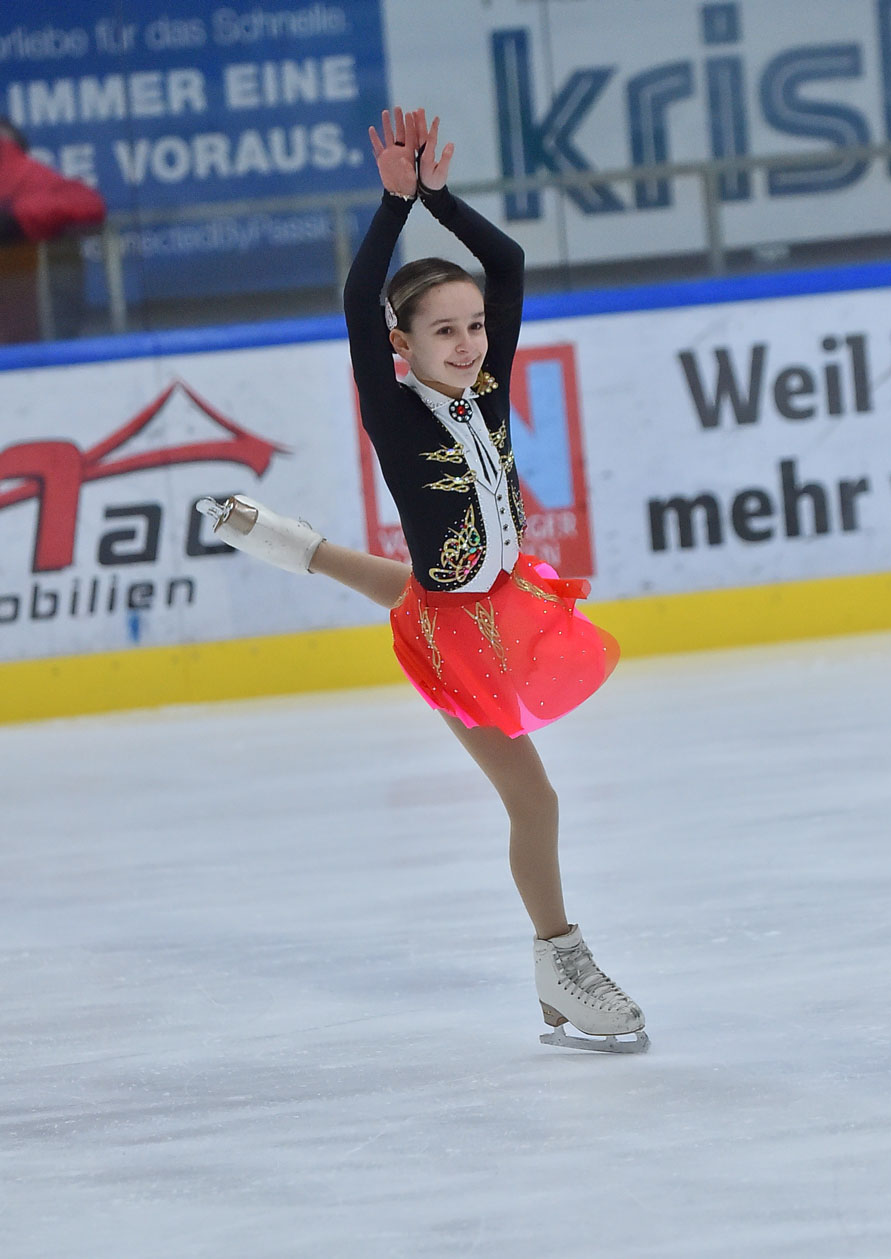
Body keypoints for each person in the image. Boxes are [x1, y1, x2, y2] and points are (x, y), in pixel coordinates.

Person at [198, 108, 648, 1053]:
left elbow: (508, 264)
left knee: (410, 584)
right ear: (402, 344)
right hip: (458, 637)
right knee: (535, 799)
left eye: (474, 325)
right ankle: (560, 961)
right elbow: (358, 297)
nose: (470, 341)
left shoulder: (487, 389)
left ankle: (284, 539)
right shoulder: (395, 412)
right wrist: (392, 208)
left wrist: (439, 198)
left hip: (504, 593)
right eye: (444, 330)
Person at [0, 118, 106, 343]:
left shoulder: (25, 176)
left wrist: (16, 220)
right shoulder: (27, 177)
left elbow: (88, 204)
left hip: (26, 326)